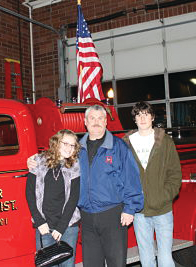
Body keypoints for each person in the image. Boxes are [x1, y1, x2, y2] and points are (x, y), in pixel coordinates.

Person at [78, 104, 144, 267]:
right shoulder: (77, 149)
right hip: (86, 216)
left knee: (116, 263)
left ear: (106, 122)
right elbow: (57, 163)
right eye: (92, 118)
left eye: (100, 118)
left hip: (113, 215)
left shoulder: (118, 146)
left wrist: (130, 209)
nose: (96, 122)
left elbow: (131, 178)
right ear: (85, 122)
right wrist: (35, 161)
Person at [123, 101, 182, 267]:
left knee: (165, 258)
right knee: (146, 257)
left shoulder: (165, 141)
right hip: (139, 211)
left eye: (146, 114)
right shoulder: (126, 143)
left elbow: (175, 173)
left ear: (152, 117)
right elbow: (122, 176)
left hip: (162, 209)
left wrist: (164, 196)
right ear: (134, 119)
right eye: (138, 115)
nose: (142, 118)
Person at [25, 129, 81, 267]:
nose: (69, 148)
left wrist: (61, 228)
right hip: (44, 226)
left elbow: (73, 198)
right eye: (65, 143)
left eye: (72, 145)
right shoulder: (38, 161)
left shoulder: (74, 165)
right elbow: (29, 193)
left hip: (67, 226)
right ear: (56, 143)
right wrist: (39, 222)